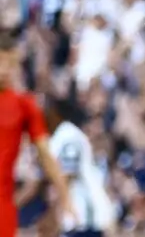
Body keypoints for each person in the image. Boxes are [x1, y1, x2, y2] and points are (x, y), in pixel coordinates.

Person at [0, 34, 74, 237]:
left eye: (12, 63)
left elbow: (45, 154)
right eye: (2, 62)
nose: (6, 70)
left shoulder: (24, 106)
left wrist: (65, 196)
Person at [44, 99, 114, 237]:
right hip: (81, 221)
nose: (98, 129)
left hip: (82, 221)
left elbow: (67, 175)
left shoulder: (69, 137)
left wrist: (54, 215)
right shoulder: (72, 138)